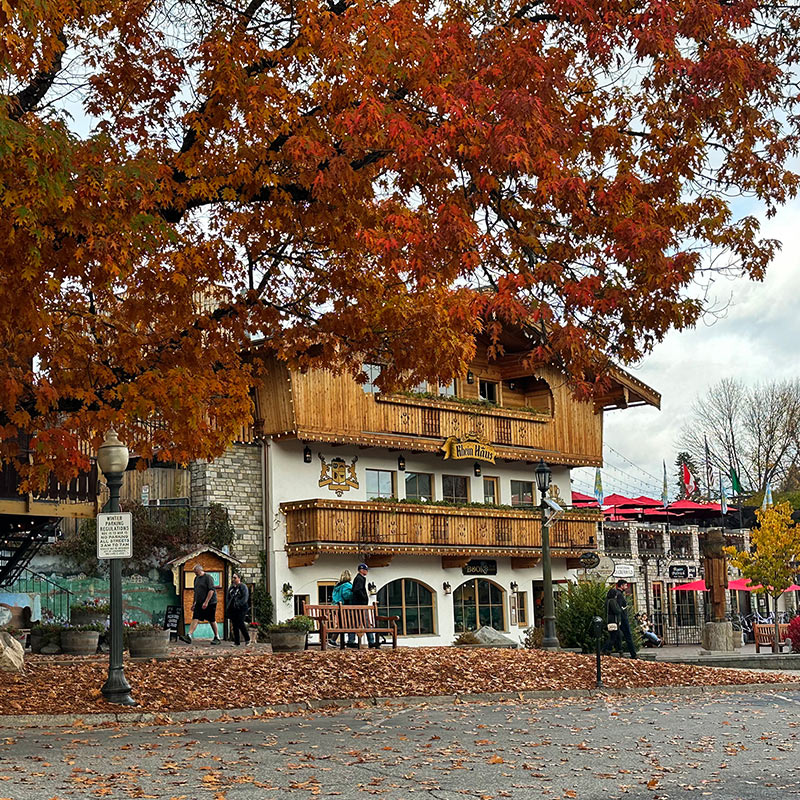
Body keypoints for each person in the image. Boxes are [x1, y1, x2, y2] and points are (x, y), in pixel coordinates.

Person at [180, 564, 221, 645]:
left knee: (211, 619)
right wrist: (194, 603)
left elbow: (211, 590)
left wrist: (206, 602)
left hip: (210, 602)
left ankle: (217, 637)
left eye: (195, 571)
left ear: (199, 570)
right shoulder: (196, 579)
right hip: (199, 602)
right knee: (195, 617)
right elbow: (196, 592)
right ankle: (189, 635)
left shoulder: (208, 577)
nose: (194, 573)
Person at [602, 579, 636, 658]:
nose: (626, 587)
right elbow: (618, 608)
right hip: (621, 619)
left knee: (616, 636)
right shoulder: (619, 595)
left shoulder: (614, 596)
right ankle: (632, 654)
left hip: (616, 619)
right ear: (621, 586)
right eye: (625, 585)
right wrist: (623, 611)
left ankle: (612, 650)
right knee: (627, 636)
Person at [350, 562, 376, 648]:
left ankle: (351, 640)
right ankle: (371, 641)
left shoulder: (358, 578)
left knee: (356, 622)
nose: (367, 571)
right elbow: (357, 590)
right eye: (365, 570)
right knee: (367, 622)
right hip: (360, 605)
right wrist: (364, 598)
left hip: (357, 605)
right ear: (362, 570)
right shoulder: (360, 579)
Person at [226, 573, 252, 647]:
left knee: (240, 622)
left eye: (235, 578)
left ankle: (247, 639)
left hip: (242, 607)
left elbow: (245, 597)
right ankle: (236, 642)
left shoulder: (243, 586)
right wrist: (229, 606)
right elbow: (228, 597)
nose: (233, 579)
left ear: (239, 578)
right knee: (234, 624)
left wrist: (239, 604)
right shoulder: (231, 588)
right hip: (233, 608)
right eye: (233, 578)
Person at [331, 569, 354, 647]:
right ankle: (349, 641)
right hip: (343, 607)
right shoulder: (347, 585)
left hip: (335, 606)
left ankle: (333, 640)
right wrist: (354, 594)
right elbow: (346, 595)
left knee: (341, 624)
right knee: (348, 623)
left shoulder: (337, 585)